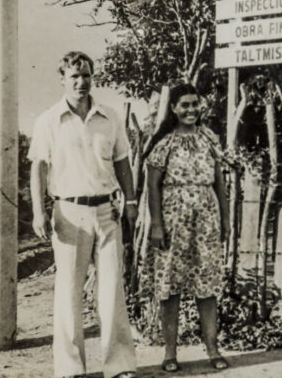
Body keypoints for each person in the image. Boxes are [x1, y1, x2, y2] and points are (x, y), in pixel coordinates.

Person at [28, 51, 137, 378]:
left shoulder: (110, 116)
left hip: (106, 211)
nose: (81, 82)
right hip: (69, 213)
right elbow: (38, 167)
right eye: (74, 76)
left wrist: (130, 203)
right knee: (68, 293)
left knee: (111, 291)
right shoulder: (49, 120)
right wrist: (38, 211)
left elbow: (122, 162)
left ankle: (119, 366)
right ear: (63, 79)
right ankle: (70, 368)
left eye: (86, 75)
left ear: (93, 77)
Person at [145, 83, 231, 372]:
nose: (191, 110)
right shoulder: (164, 143)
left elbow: (219, 182)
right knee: (171, 287)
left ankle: (212, 349)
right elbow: (152, 186)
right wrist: (157, 224)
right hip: (173, 220)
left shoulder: (209, 138)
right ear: (173, 108)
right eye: (185, 105)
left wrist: (226, 220)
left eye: (195, 104)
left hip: (206, 219)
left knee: (206, 285)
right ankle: (170, 353)